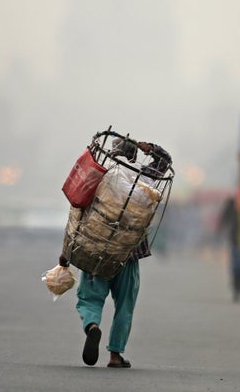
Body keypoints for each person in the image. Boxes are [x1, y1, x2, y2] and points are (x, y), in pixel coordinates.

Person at [62, 140, 172, 369]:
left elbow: (78, 214)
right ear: (133, 158)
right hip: (127, 255)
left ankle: (92, 326)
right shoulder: (144, 179)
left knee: (90, 299)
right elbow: (165, 161)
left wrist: (66, 254)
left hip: (96, 252)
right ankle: (115, 355)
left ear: (113, 152)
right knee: (125, 305)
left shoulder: (99, 178)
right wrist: (150, 148)